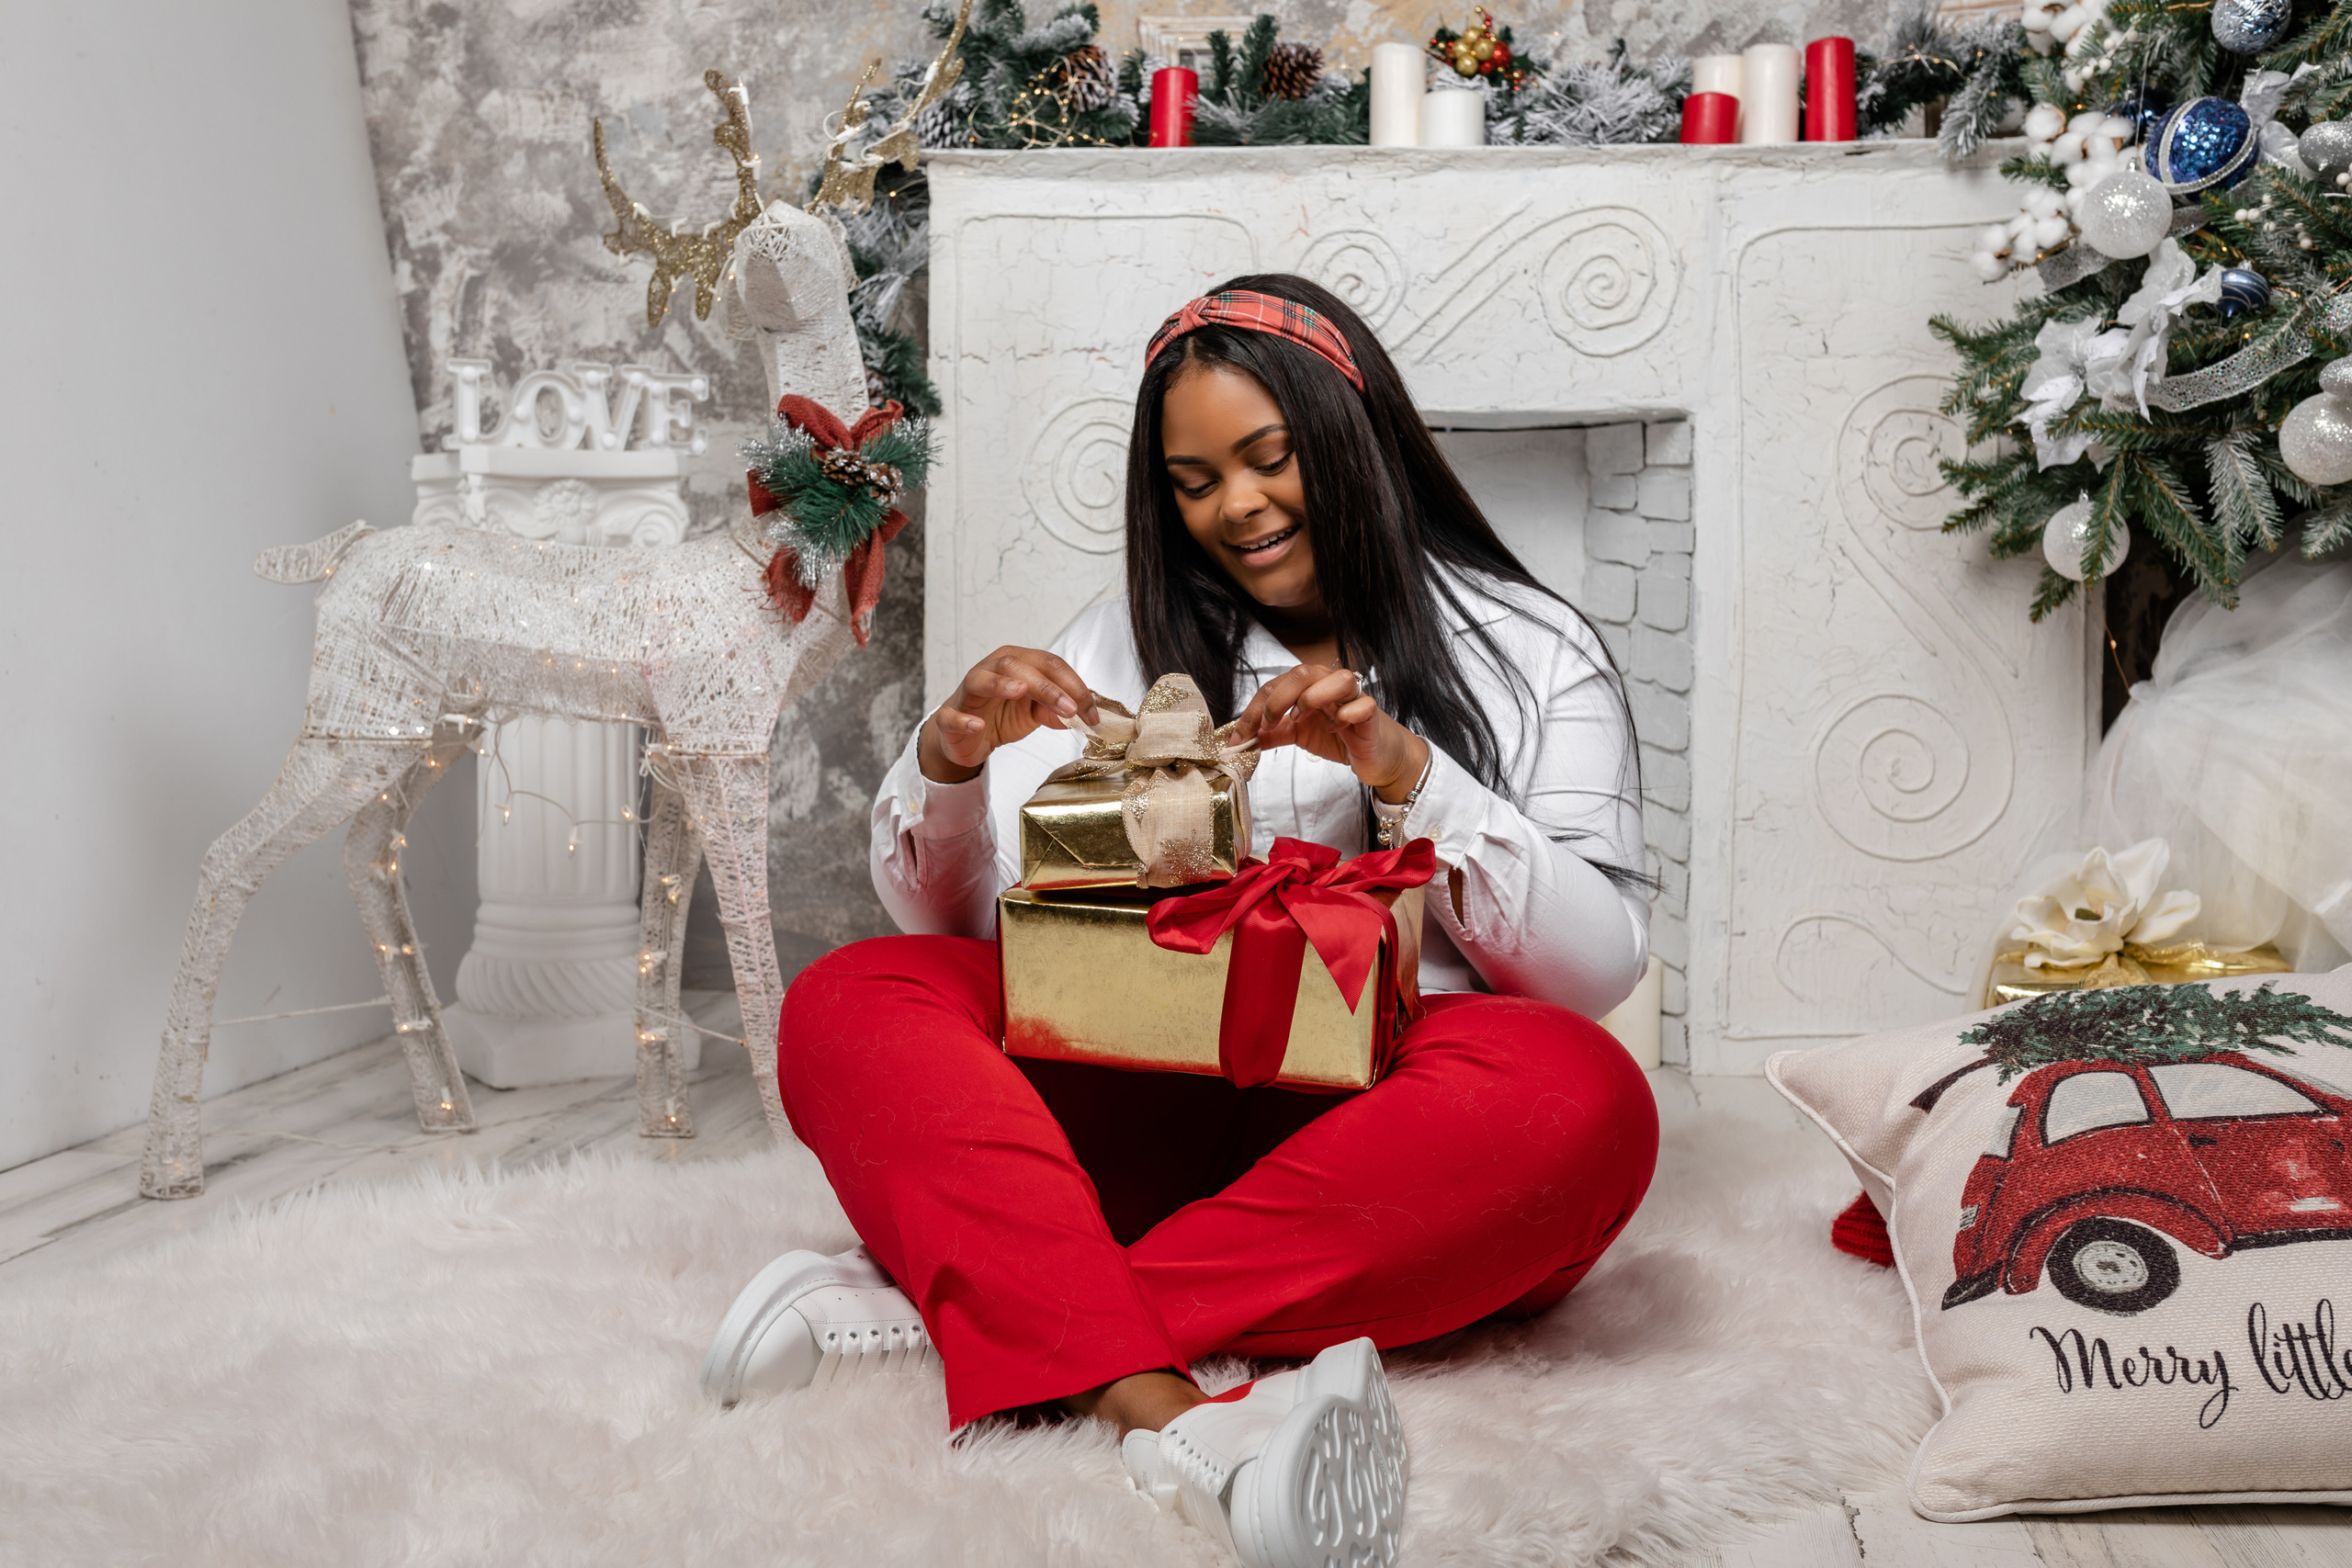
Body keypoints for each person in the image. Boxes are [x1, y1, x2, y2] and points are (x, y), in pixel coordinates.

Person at [700, 276, 1661, 1568]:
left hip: (1377, 1148)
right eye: (1197, 480)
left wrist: (1405, 774)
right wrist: (952, 759)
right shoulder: (1125, 641)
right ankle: (1172, 1412)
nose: (1240, 508)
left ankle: (975, 1314)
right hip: (1139, 1107)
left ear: (1355, 440)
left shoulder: (1533, 646)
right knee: (862, 993)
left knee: (1584, 1100)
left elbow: (1593, 972)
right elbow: (984, 935)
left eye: (1271, 460)